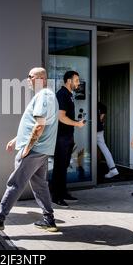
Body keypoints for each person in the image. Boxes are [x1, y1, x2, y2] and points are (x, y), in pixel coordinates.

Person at [0, 68, 59, 232]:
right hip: (40, 150)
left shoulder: (44, 96)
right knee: (40, 185)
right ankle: (49, 220)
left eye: (30, 76)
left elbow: (39, 125)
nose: (27, 79)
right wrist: (17, 140)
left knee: (15, 182)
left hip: (34, 150)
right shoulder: (45, 95)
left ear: (41, 78)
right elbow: (33, 125)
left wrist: (27, 148)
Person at [50, 71, 85, 207]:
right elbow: (61, 117)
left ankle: (63, 192)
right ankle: (56, 196)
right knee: (59, 167)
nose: (78, 83)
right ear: (69, 81)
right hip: (61, 137)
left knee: (63, 166)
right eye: (76, 80)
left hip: (67, 136)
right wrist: (77, 123)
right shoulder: (62, 94)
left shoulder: (69, 95)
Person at [97, 101, 119, 179]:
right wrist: (100, 119)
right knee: (104, 148)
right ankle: (113, 169)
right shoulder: (97, 103)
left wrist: (100, 119)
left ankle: (81, 169)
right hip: (98, 128)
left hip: (92, 128)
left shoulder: (90, 99)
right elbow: (104, 108)